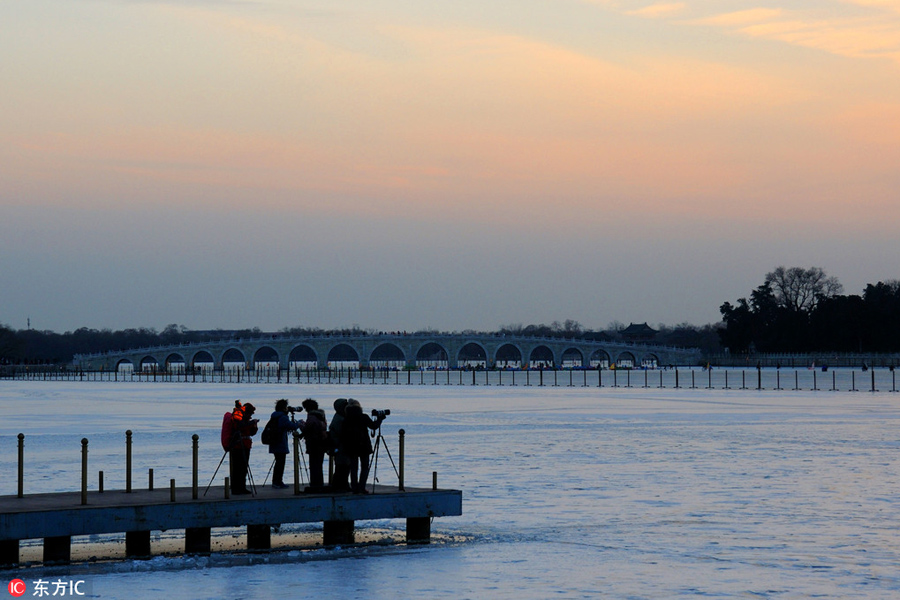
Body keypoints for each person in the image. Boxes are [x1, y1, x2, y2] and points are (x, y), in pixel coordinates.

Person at [341, 398, 385, 494]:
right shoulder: (363, 417)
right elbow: (373, 426)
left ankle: (354, 488)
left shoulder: (346, 419)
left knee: (353, 468)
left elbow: (343, 434)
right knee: (364, 467)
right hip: (363, 446)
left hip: (351, 447)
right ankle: (362, 487)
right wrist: (380, 419)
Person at [266, 399, 302, 489]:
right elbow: (292, 426)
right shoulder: (282, 417)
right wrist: (299, 423)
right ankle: (277, 482)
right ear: (283, 408)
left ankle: (276, 481)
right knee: (280, 464)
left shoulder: (275, 416)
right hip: (280, 443)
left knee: (278, 462)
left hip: (275, 442)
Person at [228, 402, 258, 495]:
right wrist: (252, 423)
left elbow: (251, 433)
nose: (251, 415)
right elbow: (241, 427)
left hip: (243, 445)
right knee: (239, 467)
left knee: (241, 467)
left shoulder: (244, 420)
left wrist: (254, 426)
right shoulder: (240, 420)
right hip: (240, 446)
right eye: (250, 413)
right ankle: (239, 488)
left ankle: (240, 487)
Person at [300, 398, 328, 491]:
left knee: (314, 465)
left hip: (313, 444)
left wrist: (300, 425)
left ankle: (314, 484)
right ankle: (319, 483)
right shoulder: (321, 416)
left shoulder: (311, 417)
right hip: (321, 443)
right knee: (319, 465)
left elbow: (307, 429)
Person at [329, 398, 351, 491]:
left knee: (343, 466)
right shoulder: (340, 419)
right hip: (341, 446)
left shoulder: (339, 417)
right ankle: (340, 485)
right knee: (342, 467)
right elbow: (342, 434)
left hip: (341, 446)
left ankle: (341, 485)